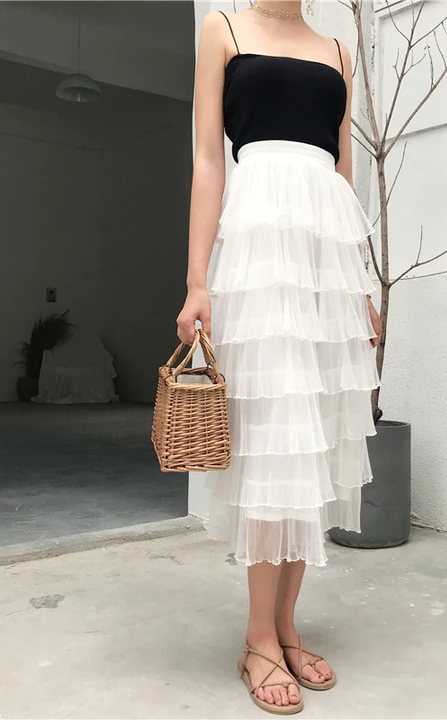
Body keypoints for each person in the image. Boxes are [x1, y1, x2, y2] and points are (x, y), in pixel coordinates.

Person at [176, 0, 381, 714]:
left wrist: (360, 285)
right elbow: (209, 159)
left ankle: (287, 627)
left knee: (314, 440)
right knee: (272, 443)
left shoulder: (338, 50)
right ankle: (257, 638)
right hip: (260, 252)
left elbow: (344, 177)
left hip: (325, 258)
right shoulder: (223, 29)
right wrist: (198, 280)